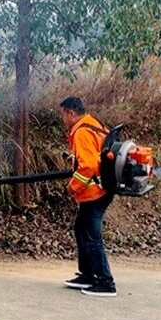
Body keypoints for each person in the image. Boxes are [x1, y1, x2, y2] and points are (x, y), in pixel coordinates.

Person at [60, 97, 117, 297]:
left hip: (95, 192)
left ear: (71, 113)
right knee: (81, 228)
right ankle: (87, 275)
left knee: (91, 236)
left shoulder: (82, 132)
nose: (63, 119)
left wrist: (72, 187)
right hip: (102, 189)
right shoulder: (94, 124)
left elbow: (89, 166)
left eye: (63, 114)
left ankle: (105, 283)